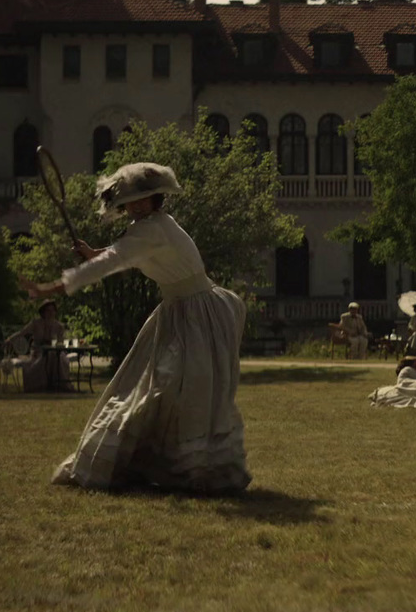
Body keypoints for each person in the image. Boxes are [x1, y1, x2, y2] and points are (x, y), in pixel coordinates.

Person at [21, 162, 250, 493]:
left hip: (200, 311)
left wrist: (50, 288)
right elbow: (123, 255)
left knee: (194, 390)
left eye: (146, 198)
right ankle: (169, 462)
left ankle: (197, 467)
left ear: (157, 199)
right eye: (133, 200)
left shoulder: (153, 228)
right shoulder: (150, 228)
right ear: (123, 204)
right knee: (162, 387)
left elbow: (116, 259)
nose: (139, 204)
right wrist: (94, 253)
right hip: (181, 309)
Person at [9, 298, 72, 392]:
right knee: (45, 358)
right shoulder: (36, 323)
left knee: (57, 357)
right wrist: (10, 339)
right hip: (38, 351)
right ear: (43, 312)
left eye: (52, 310)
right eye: (48, 310)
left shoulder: (59, 326)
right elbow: (22, 332)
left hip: (55, 351)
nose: (50, 313)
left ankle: (60, 384)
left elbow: (61, 342)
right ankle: (43, 385)